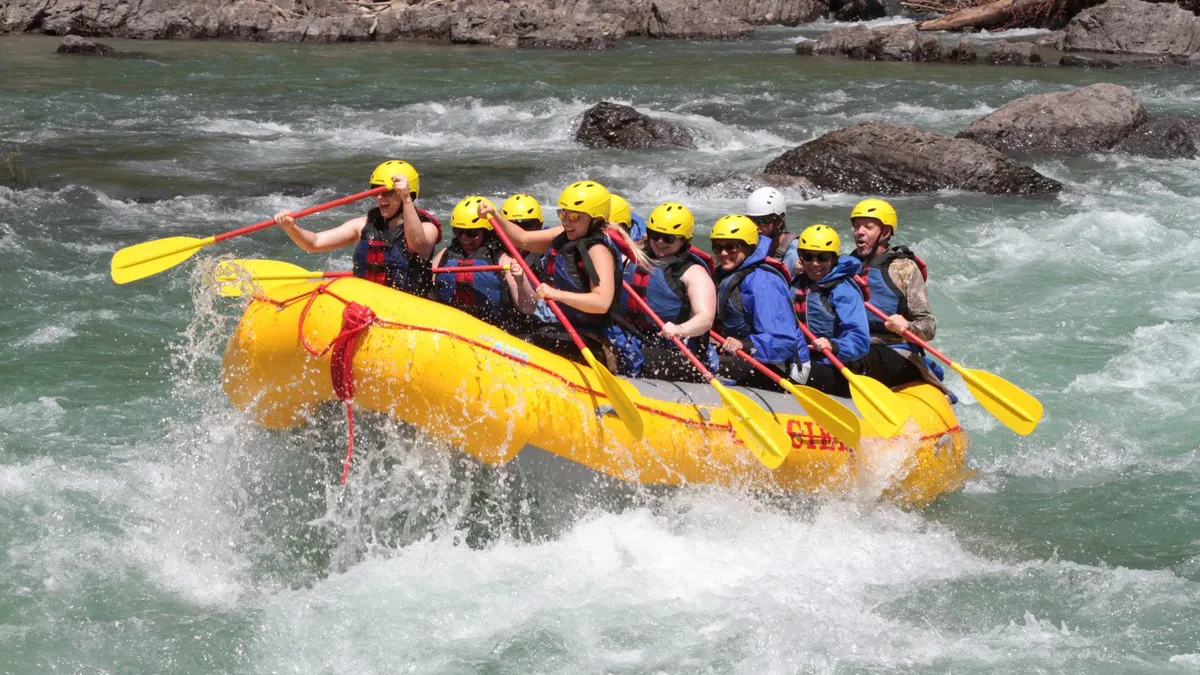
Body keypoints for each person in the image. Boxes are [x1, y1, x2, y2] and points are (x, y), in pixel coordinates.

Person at [482, 180, 643, 373]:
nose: (566, 221)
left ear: (596, 218)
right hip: (568, 329)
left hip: (598, 338)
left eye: (574, 216)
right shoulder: (565, 234)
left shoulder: (598, 250)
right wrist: (494, 215)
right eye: (563, 214)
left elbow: (601, 302)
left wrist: (556, 295)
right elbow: (523, 239)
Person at [274, 160, 441, 295]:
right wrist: (291, 227)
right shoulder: (362, 225)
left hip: (410, 308)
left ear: (408, 193)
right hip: (368, 304)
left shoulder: (428, 228)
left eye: (387, 192)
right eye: (376, 191)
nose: (380, 197)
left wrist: (406, 200)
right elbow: (314, 243)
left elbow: (417, 244)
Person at [849, 198, 941, 389]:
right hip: (853, 344)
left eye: (868, 227)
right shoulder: (845, 265)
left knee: (858, 357)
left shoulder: (904, 269)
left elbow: (928, 327)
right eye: (857, 226)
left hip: (894, 350)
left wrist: (907, 326)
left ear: (886, 232)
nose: (860, 232)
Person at [710, 214, 810, 390]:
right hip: (745, 355)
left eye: (731, 247)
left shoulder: (763, 281)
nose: (723, 253)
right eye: (717, 248)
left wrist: (744, 344)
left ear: (749, 246)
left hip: (781, 366)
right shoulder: (725, 274)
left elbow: (782, 341)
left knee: (702, 363)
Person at [621, 202, 718, 382]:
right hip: (632, 338)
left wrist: (679, 329)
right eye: (655, 235)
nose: (659, 242)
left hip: (670, 347)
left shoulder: (693, 272)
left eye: (668, 238)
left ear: (684, 239)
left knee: (640, 357)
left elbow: (705, 318)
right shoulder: (633, 256)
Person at [791, 224, 870, 397]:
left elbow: (860, 340)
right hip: (803, 359)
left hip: (835, 367)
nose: (815, 263)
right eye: (808, 257)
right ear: (800, 258)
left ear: (833, 259)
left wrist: (833, 344)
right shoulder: (795, 284)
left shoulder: (843, 290)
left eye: (822, 257)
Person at [432, 196, 529, 329]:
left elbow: (527, 308)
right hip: (451, 326)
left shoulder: (502, 259)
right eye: (459, 232)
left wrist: (521, 281)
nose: (465, 239)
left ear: (487, 232)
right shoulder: (445, 254)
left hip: (493, 330)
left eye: (472, 233)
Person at [745, 187, 799, 276]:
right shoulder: (746, 246)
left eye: (763, 220)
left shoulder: (794, 253)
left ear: (779, 221)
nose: (755, 227)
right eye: (750, 220)